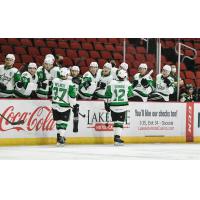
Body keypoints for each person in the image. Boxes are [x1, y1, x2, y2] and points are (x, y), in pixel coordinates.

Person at [104, 69, 134, 145]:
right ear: (125, 76)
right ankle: (117, 138)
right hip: (122, 106)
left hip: (113, 105)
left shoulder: (112, 83)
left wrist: (106, 104)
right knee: (120, 122)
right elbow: (130, 95)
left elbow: (107, 95)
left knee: (115, 122)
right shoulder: (127, 83)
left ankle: (116, 137)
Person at [51, 68, 78, 145]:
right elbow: (72, 96)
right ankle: (61, 137)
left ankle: (59, 137)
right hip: (64, 105)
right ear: (66, 74)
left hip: (54, 104)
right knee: (64, 122)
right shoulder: (70, 84)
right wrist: (74, 105)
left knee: (58, 121)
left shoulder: (54, 80)